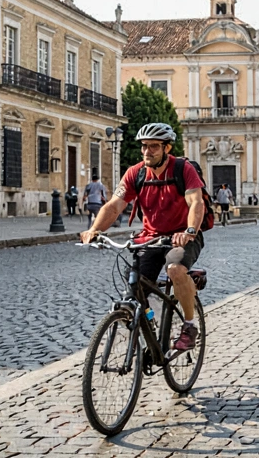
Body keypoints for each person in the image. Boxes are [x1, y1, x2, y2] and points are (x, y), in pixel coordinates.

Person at [80, 122, 206, 352]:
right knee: (135, 284)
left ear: (167, 148)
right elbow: (114, 206)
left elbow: (195, 202)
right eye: (144, 146)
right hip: (150, 238)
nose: (147, 151)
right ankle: (151, 320)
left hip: (182, 236)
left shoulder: (183, 169)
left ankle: (190, 325)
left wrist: (189, 231)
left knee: (175, 270)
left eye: (154, 146)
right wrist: (95, 230)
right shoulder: (135, 173)